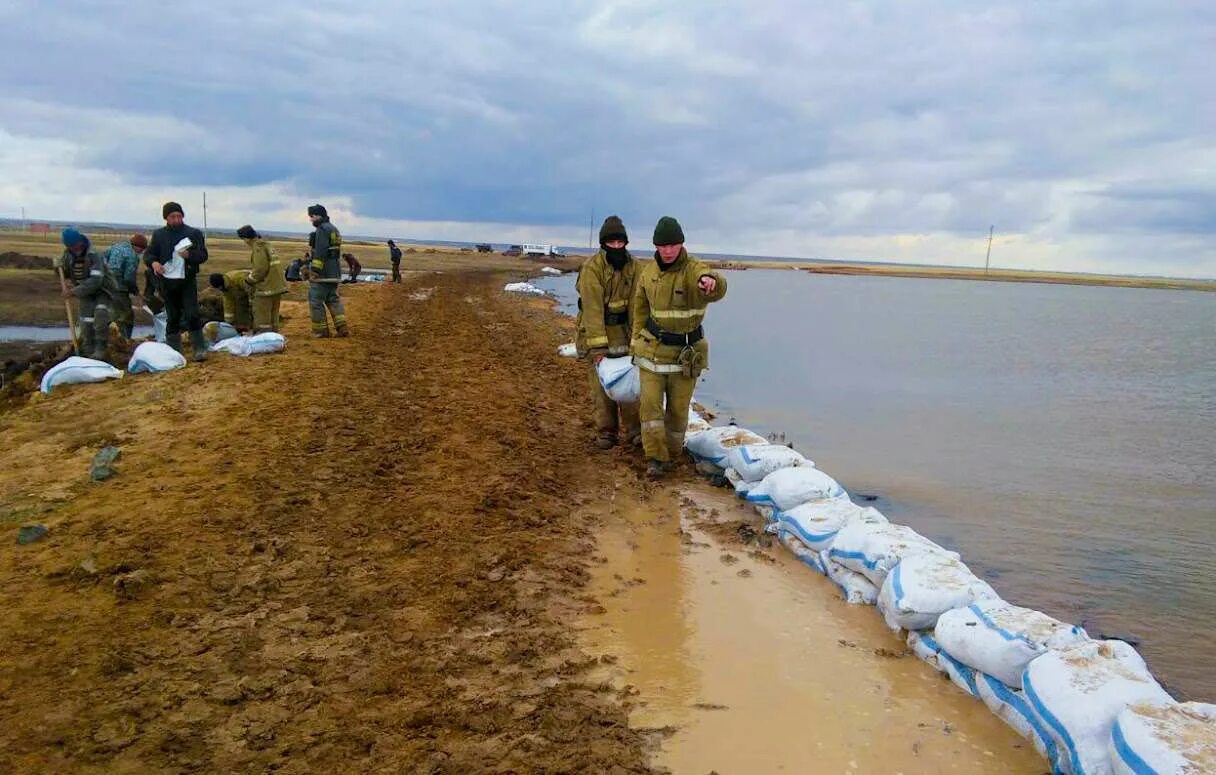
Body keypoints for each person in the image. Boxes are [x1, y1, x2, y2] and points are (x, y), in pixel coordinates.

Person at [630, 217, 727, 479]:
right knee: (649, 407)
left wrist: (711, 283)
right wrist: (635, 341)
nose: (669, 250)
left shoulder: (695, 269)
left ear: (681, 244)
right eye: (663, 246)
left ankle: (672, 453)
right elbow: (639, 309)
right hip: (651, 352)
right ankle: (655, 458)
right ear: (656, 247)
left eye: (673, 245)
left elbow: (714, 284)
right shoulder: (648, 273)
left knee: (678, 410)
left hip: (686, 355)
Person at [576, 215, 640, 449]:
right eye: (611, 243)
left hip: (624, 332)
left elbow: (637, 306)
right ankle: (607, 432)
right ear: (603, 243)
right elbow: (592, 309)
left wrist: (637, 342)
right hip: (597, 332)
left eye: (620, 242)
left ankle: (635, 431)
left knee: (630, 384)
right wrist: (598, 348)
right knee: (601, 385)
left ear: (625, 243)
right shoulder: (592, 268)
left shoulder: (635, 268)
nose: (616, 247)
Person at [143, 201, 209, 360]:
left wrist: (189, 256)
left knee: (192, 314)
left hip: (187, 281)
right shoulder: (159, 235)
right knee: (172, 317)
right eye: (173, 216)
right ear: (166, 218)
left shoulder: (193, 233)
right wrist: (154, 263)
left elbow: (203, 256)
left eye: (179, 216)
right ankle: (174, 352)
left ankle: (199, 349)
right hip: (167, 282)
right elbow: (149, 254)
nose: (176, 219)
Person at [58, 228, 123, 360]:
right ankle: (87, 350)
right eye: (70, 246)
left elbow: (96, 280)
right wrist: (58, 269)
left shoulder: (94, 255)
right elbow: (65, 271)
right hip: (85, 292)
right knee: (85, 320)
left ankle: (100, 348)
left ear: (80, 242)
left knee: (100, 316)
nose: (73, 248)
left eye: (75, 245)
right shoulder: (68, 255)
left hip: (103, 290)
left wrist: (74, 291)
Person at [305, 204, 349, 337]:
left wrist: (314, 271)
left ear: (318, 215)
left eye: (311, 216)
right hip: (334, 273)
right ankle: (342, 328)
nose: (311, 220)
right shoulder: (333, 228)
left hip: (323, 275)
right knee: (333, 300)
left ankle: (321, 331)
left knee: (316, 301)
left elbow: (321, 252)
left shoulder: (322, 229)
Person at [237, 225, 288, 332]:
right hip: (277, 286)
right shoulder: (267, 245)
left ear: (246, 238)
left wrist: (249, 280)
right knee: (273, 315)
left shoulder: (258, 248)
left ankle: (263, 338)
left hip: (266, 289)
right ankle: (274, 337)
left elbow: (260, 270)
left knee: (262, 317)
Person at [102, 233, 147, 338]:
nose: (142, 252)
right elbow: (129, 278)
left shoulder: (116, 246)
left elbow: (102, 259)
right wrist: (136, 292)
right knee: (126, 315)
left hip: (105, 285)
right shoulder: (132, 256)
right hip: (118, 288)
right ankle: (124, 339)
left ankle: (103, 337)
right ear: (138, 247)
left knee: (109, 312)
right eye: (142, 250)